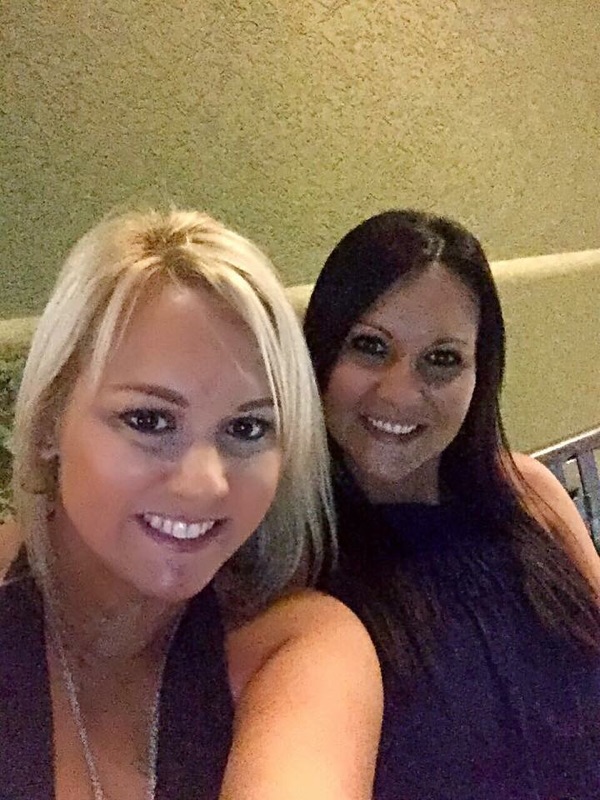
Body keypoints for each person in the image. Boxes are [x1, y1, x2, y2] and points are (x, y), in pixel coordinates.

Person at [0, 209, 382, 800]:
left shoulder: (297, 650)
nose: (205, 485)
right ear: (51, 419)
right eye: (149, 420)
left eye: (247, 429)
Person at [304, 209, 600, 799]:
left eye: (442, 359)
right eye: (370, 346)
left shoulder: (529, 492)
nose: (399, 393)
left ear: (478, 373)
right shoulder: (295, 558)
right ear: (320, 353)